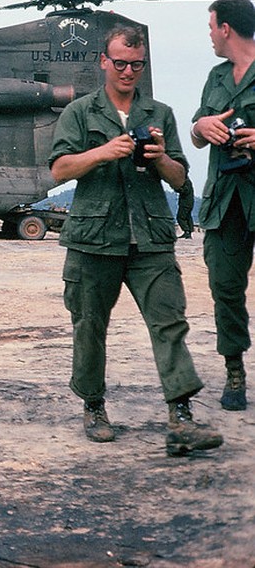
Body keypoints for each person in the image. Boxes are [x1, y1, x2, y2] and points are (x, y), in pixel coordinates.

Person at [49, 24, 222, 455]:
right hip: (93, 238)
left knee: (169, 322)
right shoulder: (80, 113)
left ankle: (181, 417)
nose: (128, 71)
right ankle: (93, 406)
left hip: (150, 238)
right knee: (90, 326)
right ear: (104, 62)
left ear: (144, 64)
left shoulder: (159, 113)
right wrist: (102, 152)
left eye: (137, 64)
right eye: (120, 63)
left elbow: (181, 178)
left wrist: (160, 156)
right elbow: (59, 170)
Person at [189, 0, 255, 412]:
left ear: (226, 28)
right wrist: (201, 125)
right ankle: (235, 370)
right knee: (225, 288)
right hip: (226, 201)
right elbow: (196, 134)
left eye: (211, 26)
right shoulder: (216, 77)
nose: (210, 35)